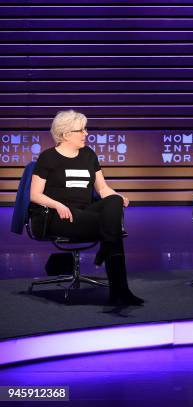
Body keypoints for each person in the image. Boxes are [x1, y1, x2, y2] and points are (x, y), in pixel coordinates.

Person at [30, 110, 144, 306]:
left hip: (85, 213)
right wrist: (58, 204)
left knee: (114, 203)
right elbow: (35, 195)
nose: (86, 133)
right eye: (81, 130)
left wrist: (118, 196)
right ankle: (120, 291)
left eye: (85, 129)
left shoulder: (89, 155)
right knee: (112, 229)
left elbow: (103, 189)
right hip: (58, 216)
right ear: (66, 134)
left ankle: (108, 251)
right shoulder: (47, 158)